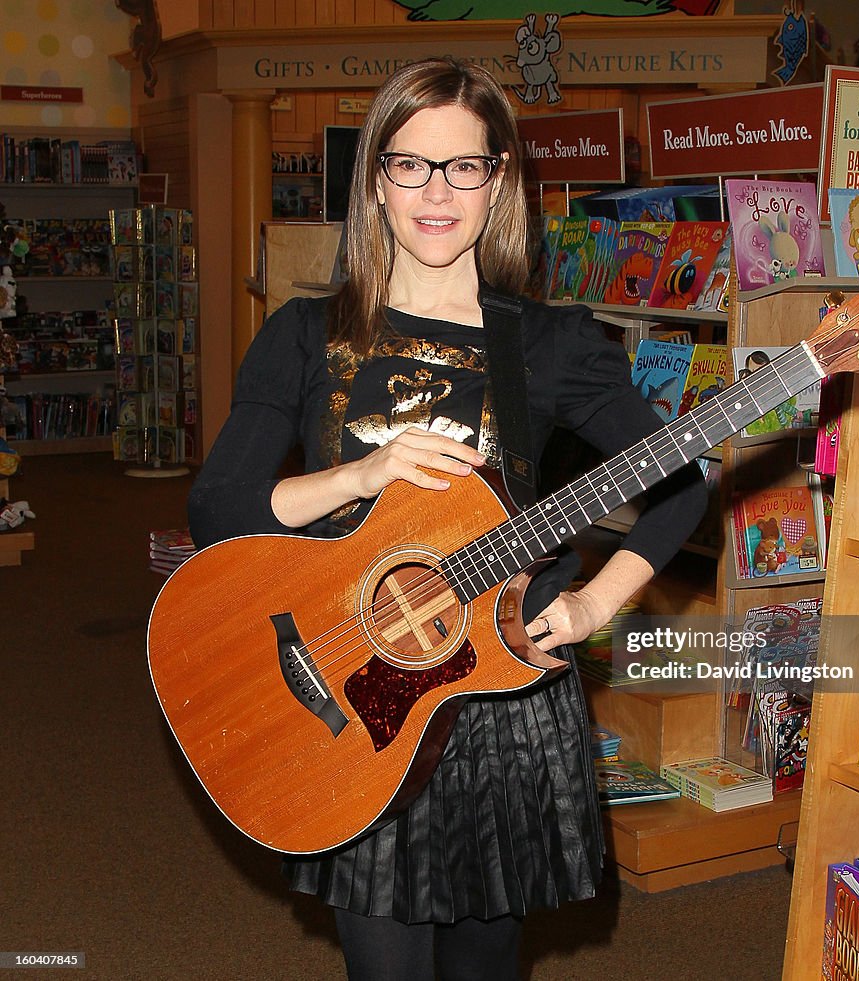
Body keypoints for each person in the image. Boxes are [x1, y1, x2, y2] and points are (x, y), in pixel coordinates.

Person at [187, 56, 707, 981]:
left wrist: (593, 607)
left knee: (486, 968)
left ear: (498, 179)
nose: (436, 192)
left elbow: (682, 484)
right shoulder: (305, 336)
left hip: (500, 706)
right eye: (410, 164)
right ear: (376, 181)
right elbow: (220, 507)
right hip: (351, 689)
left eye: (463, 166)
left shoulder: (548, 344)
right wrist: (365, 472)